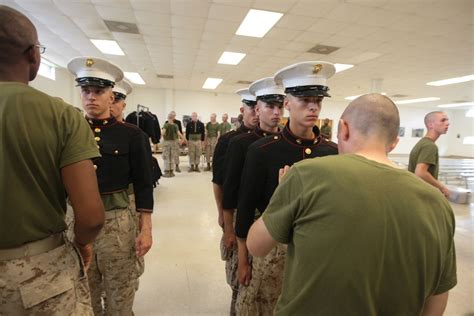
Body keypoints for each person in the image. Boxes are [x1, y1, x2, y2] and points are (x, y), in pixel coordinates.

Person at [247, 94, 457, 315]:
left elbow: (256, 245)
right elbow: (437, 297)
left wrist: (283, 194)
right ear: (394, 143)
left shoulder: (307, 174)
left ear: (343, 128)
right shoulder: (438, 204)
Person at [0, 5, 104, 314]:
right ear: (33, 55)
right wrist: (83, 243)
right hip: (39, 275)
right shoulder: (60, 116)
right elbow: (91, 216)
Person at [235, 61, 339, 315]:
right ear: (288, 104)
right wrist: (242, 259)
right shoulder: (262, 151)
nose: (313, 106)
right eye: (305, 100)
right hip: (271, 246)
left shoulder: (332, 152)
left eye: (318, 100)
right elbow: (246, 206)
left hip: (316, 249)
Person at [68, 56, 154, 315]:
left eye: (99, 91)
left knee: (120, 291)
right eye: (86, 91)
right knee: (85, 290)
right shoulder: (70, 131)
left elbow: (143, 184)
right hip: (76, 222)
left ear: (111, 97)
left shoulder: (132, 135)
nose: (91, 97)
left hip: (116, 224)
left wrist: (146, 229)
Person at [212, 88, 258, 315]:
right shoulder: (229, 141)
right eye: (252, 107)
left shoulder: (275, 140)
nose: (257, 113)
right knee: (238, 275)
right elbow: (219, 182)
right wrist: (225, 221)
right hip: (238, 214)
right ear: (243, 110)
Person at [408, 111, 450, 198]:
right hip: (421, 194)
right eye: (443, 120)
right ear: (431, 124)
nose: (447, 123)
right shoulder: (430, 146)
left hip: (414, 191)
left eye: (447, 120)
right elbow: (420, 172)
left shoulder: (423, 143)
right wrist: (442, 187)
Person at [162, 113, 186, 177]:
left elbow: (163, 133)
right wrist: (182, 140)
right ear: (173, 118)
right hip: (174, 143)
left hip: (167, 143)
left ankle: (167, 172)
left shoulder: (166, 125)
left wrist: (161, 135)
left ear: (168, 117)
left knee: (166, 157)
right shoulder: (175, 125)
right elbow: (179, 134)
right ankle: (171, 172)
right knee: (172, 157)